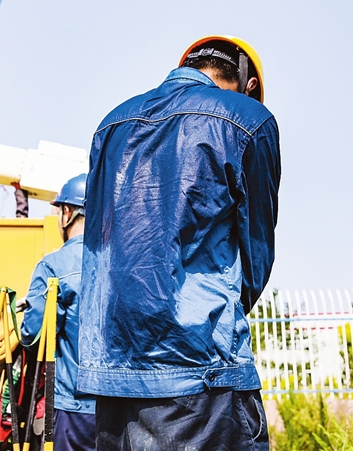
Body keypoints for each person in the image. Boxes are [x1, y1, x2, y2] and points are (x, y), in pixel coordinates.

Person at [79, 36, 281, 451]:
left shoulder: (111, 123)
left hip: (112, 370)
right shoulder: (249, 118)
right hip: (198, 372)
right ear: (248, 84)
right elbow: (256, 250)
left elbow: (102, 242)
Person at [20, 174, 96, 451]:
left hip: (73, 405)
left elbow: (33, 335)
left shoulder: (53, 266)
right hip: (124, 406)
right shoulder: (127, 264)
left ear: (67, 213)